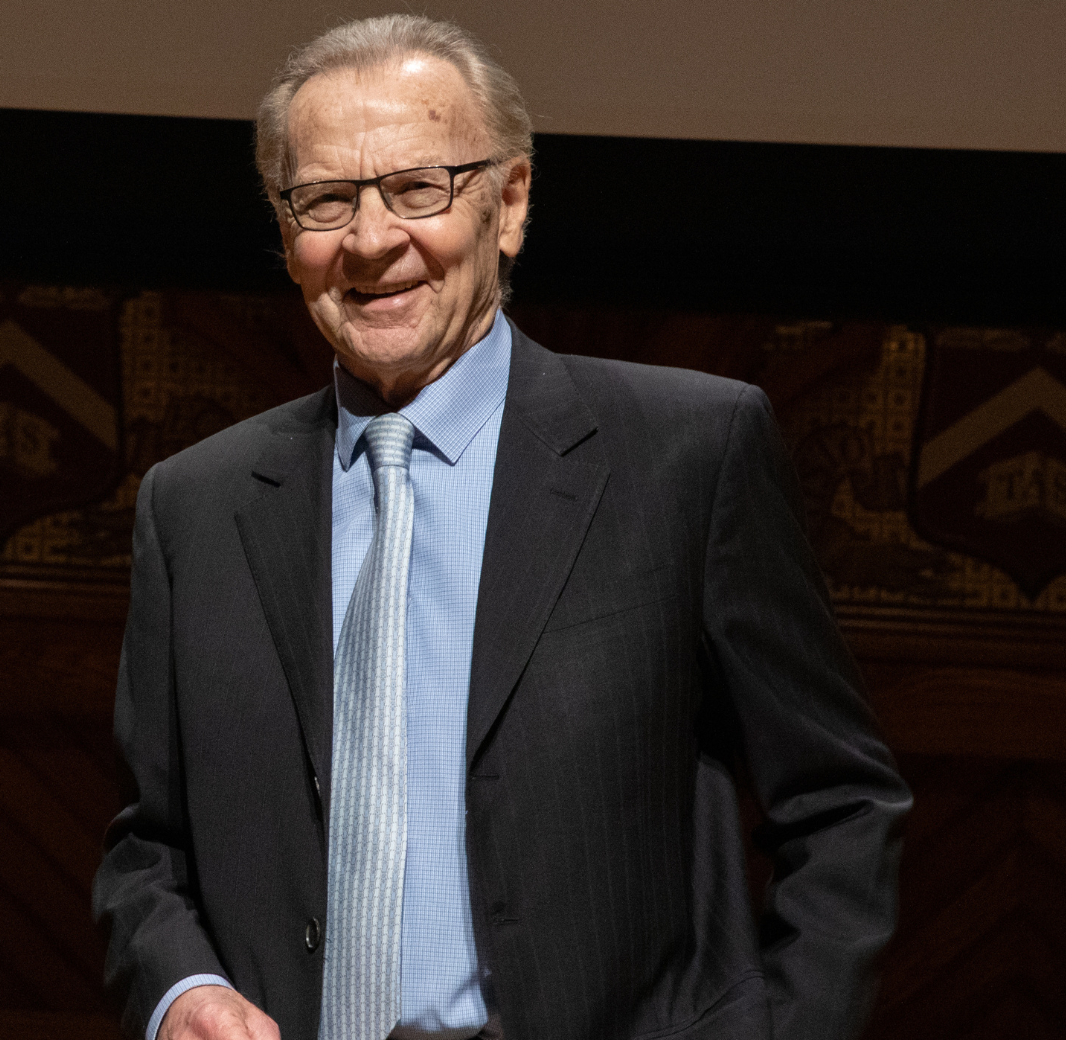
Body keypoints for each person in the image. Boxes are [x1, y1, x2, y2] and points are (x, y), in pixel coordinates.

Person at [95, 16, 911, 1040]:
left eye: (417, 187)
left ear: (509, 202)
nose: (370, 239)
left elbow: (839, 803)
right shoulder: (196, 504)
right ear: (284, 228)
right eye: (325, 199)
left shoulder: (686, 454)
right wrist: (180, 989)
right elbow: (146, 849)